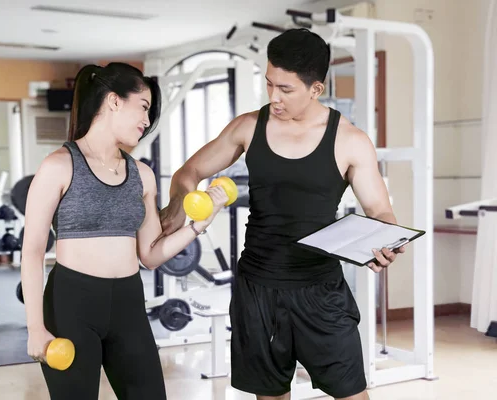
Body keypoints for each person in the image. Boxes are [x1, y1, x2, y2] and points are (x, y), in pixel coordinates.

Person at [155, 29, 406, 400]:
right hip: (258, 287)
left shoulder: (349, 140)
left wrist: (385, 240)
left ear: (316, 89)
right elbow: (187, 173)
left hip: (321, 291)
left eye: (285, 89)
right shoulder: (248, 126)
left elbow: (380, 210)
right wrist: (180, 207)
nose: (274, 97)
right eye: (269, 84)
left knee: (353, 394)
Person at [20, 62, 229, 400]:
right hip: (71, 303)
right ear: (114, 101)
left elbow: (150, 254)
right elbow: (31, 251)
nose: (147, 121)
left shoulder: (141, 174)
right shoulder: (58, 165)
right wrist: (35, 328)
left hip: (128, 304)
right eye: (143, 108)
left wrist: (197, 227)